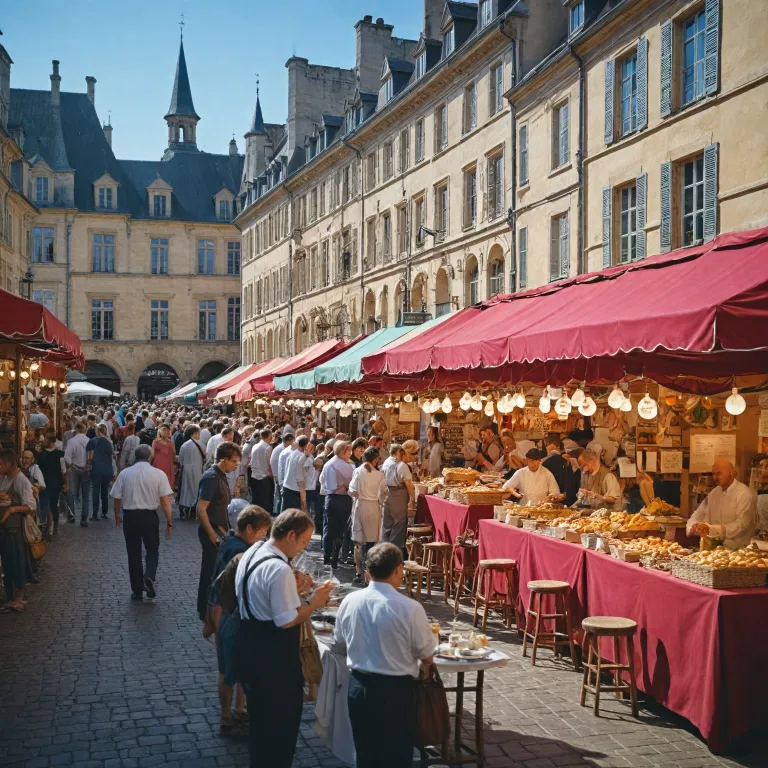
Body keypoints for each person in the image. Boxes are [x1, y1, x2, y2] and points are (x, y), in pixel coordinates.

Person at [234, 509, 332, 768]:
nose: (303, 548)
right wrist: (314, 602)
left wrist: (294, 587)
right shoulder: (278, 569)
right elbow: (286, 619)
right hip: (273, 662)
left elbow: (264, 596)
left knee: (260, 727)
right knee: (279, 731)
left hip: (250, 648)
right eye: (303, 541)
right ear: (290, 535)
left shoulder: (255, 550)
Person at [330, 542, 435, 768]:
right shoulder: (410, 608)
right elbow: (427, 654)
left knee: (366, 754)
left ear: (367, 572)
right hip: (396, 692)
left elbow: (338, 642)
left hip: (360, 688)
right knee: (396, 756)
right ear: (398, 570)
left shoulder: (350, 601)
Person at [209, 505, 271, 738]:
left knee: (235, 669)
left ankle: (238, 711)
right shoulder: (239, 551)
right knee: (228, 671)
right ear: (249, 528)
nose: (264, 537)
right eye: (262, 532)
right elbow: (225, 587)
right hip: (230, 613)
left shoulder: (230, 542)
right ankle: (227, 718)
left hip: (225, 612)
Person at [110, 444, 173, 601]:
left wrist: (117, 514)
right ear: (151, 457)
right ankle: (149, 574)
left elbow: (117, 497)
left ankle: (137, 590)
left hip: (131, 516)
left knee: (133, 553)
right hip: (150, 516)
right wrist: (169, 521)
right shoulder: (158, 474)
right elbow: (165, 501)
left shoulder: (125, 473)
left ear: (135, 456)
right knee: (152, 549)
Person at [197, 441, 242, 622]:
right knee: (209, 573)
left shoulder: (221, 476)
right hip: (213, 533)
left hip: (220, 531)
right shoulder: (211, 477)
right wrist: (212, 535)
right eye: (234, 461)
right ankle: (205, 611)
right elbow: (201, 509)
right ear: (223, 460)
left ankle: (210, 610)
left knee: (215, 572)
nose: (236, 465)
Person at [686, 460, 756, 549]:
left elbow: (742, 524)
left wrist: (716, 529)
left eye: (719, 473)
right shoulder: (714, 493)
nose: (715, 477)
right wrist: (694, 526)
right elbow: (699, 513)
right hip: (714, 548)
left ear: (731, 473)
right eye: (713, 474)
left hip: (739, 549)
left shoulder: (744, 493)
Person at [0, 449, 36, 612]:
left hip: (14, 529)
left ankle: (18, 598)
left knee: (17, 562)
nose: (0, 467)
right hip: (5, 529)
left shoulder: (21, 480)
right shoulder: (6, 477)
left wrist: (12, 510)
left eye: (1, 464)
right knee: (8, 563)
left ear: (10, 463)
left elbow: (31, 505)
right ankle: (10, 598)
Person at [349, 446, 388, 586]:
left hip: (359, 506)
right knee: (371, 543)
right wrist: (380, 502)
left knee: (358, 542)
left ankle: (359, 572)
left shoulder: (357, 471)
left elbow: (352, 491)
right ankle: (369, 577)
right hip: (372, 508)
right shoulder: (379, 475)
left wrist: (358, 496)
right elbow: (384, 492)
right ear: (376, 459)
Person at [320, 440, 354, 568]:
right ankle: (334, 557)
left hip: (332, 499)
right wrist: (344, 486)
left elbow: (322, 480)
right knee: (340, 530)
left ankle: (327, 555)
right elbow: (350, 485)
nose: (350, 453)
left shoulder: (329, 464)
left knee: (329, 528)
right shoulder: (348, 466)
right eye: (349, 451)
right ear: (342, 452)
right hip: (343, 499)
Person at [380, 444, 415, 554]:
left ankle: (384, 549)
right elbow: (408, 483)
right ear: (397, 453)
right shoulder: (401, 465)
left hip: (387, 493)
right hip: (399, 493)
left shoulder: (386, 463)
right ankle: (395, 551)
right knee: (399, 523)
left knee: (387, 523)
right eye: (401, 453)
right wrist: (412, 497)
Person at [37, 434, 66, 534]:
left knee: (44, 503)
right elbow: (63, 470)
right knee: (54, 503)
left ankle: (47, 523)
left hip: (44, 482)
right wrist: (65, 483)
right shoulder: (61, 454)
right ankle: (54, 524)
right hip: (56, 482)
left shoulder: (41, 455)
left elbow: (38, 469)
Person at [64, 421, 92, 526]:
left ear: (76, 430)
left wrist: (69, 466)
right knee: (85, 495)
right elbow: (91, 456)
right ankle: (84, 519)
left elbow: (67, 457)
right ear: (85, 430)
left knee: (71, 492)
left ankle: (71, 516)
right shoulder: (89, 440)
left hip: (74, 468)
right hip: (86, 469)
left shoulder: (72, 441)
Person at [178, 424, 206, 519]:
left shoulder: (184, 445)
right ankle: (194, 511)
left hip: (186, 470)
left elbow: (180, 459)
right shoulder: (201, 444)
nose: (199, 435)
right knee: (196, 490)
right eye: (198, 433)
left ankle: (184, 510)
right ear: (194, 434)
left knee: (186, 490)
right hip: (198, 470)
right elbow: (205, 457)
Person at [87, 424, 115, 520]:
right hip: (107, 470)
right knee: (104, 492)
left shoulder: (93, 441)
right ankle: (104, 512)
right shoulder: (109, 442)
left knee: (95, 491)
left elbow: (91, 456)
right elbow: (111, 456)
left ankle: (95, 514)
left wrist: (88, 467)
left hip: (97, 469)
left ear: (97, 431)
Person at [282, 435, 311, 513]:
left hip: (287, 487)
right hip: (296, 490)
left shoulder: (292, 454)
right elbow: (302, 476)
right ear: (306, 445)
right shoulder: (304, 458)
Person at [249, 428, 274, 512]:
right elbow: (269, 463)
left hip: (254, 476)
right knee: (265, 500)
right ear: (269, 436)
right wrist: (271, 474)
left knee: (256, 499)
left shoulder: (255, 446)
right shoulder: (267, 447)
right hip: (264, 477)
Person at [270, 432, 294, 516]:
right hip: (278, 475)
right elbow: (274, 463)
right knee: (279, 496)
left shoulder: (283, 448)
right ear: (288, 441)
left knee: (280, 496)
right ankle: (278, 513)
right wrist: (276, 476)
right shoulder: (280, 449)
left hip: (280, 475)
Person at [151, 424, 177, 491]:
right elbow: (152, 454)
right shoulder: (156, 441)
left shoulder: (170, 442)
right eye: (164, 430)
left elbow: (173, 454)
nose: (166, 432)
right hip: (161, 464)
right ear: (160, 432)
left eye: (167, 431)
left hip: (166, 464)